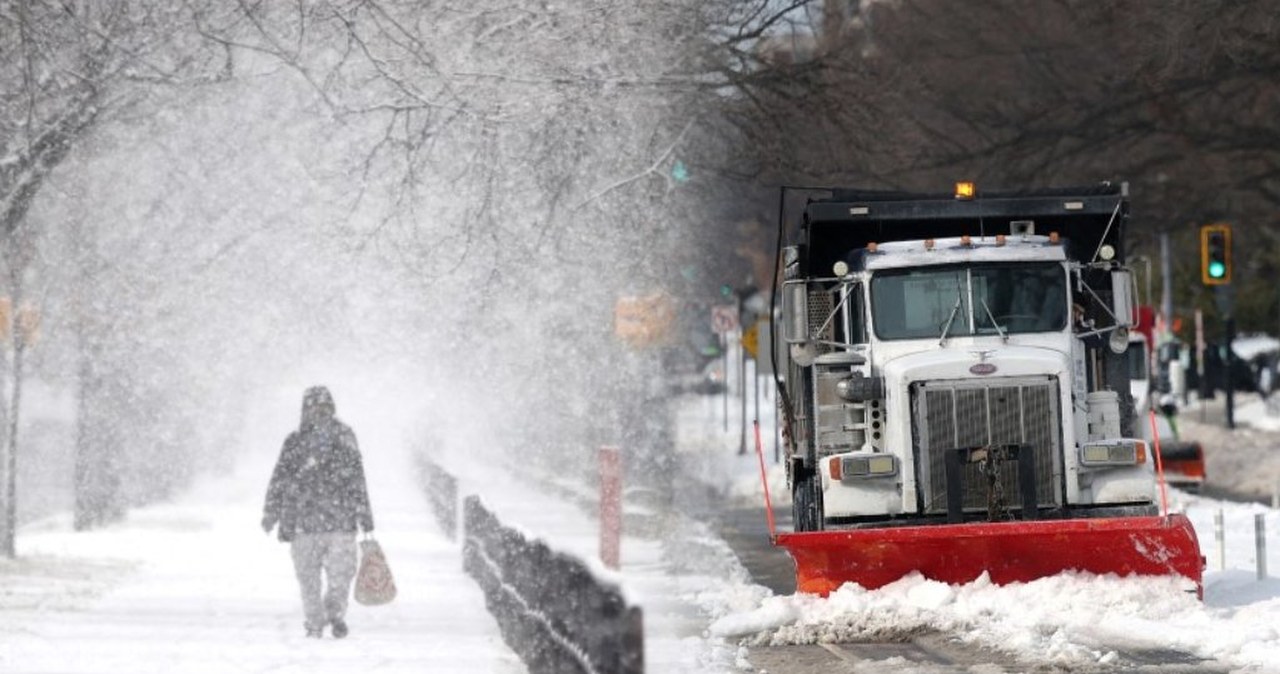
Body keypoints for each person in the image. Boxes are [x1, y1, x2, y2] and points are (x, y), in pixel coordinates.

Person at [262, 386, 375, 639]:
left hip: (340, 521)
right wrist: (271, 511)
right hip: (305, 521)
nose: (319, 411)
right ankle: (314, 621)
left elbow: (357, 477)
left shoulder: (345, 436)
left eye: (324, 406)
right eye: (314, 406)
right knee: (308, 578)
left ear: (331, 408)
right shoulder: (294, 441)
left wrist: (364, 513)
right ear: (305, 409)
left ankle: (334, 613)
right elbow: (280, 477)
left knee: (341, 575)